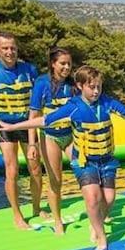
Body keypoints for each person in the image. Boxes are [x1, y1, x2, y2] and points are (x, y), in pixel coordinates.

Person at [0, 65, 125, 250]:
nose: (96, 91)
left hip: (106, 159)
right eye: (92, 87)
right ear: (80, 86)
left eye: (99, 86)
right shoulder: (73, 107)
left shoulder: (107, 102)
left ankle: (95, 223)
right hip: (85, 160)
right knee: (92, 198)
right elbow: (44, 120)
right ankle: (101, 236)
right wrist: (14, 127)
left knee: (109, 198)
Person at [0, 31, 43, 229]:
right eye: (5, 48)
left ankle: (37, 208)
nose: (9, 52)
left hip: (27, 125)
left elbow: (39, 99)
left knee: (35, 168)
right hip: (5, 126)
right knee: (12, 171)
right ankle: (17, 215)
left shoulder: (30, 69)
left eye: (12, 48)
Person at [29, 47, 74, 235]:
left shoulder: (73, 85)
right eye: (62, 63)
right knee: (56, 180)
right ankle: (57, 221)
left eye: (69, 64)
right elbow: (34, 114)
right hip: (50, 137)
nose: (66, 67)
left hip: (71, 135)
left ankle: (98, 213)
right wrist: (32, 144)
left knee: (86, 171)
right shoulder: (41, 83)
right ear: (53, 64)